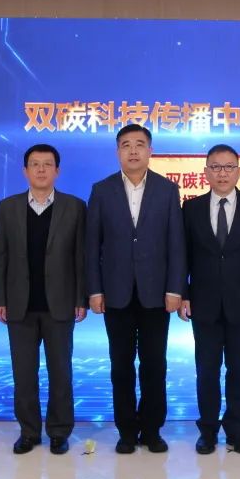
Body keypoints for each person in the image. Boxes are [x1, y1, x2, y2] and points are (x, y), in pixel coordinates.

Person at [86, 123, 187, 454]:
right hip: (115, 293)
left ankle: (153, 429)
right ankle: (127, 431)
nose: (133, 150)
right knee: (121, 366)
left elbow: (176, 244)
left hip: (157, 294)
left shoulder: (167, 190)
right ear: (118, 152)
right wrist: (94, 290)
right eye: (126, 145)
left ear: (150, 151)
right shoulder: (101, 190)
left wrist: (175, 289)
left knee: (155, 364)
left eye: (139, 144)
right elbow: (92, 245)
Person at [0, 143, 87, 456]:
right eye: (35, 164)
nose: (41, 169)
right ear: (25, 171)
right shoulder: (7, 207)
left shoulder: (75, 207)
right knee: (23, 374)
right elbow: (0, 256)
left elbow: (81, 258)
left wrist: (81, 298)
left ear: (57, 171)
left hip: (60, 304)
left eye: (47, 164)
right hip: (19, 305)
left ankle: (59, 432)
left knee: (61, 373)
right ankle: (29, 432)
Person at [178, 144, 240, 455]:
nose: (222, 173)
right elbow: (182, 256)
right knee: (206, 369)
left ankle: (236, 428)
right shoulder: (191, 208)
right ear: (206, 172)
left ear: (238, 171)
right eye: (216, 167)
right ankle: (207, 429)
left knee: (239, 368)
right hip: (203, 302)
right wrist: (183, 294)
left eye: (229, 167)